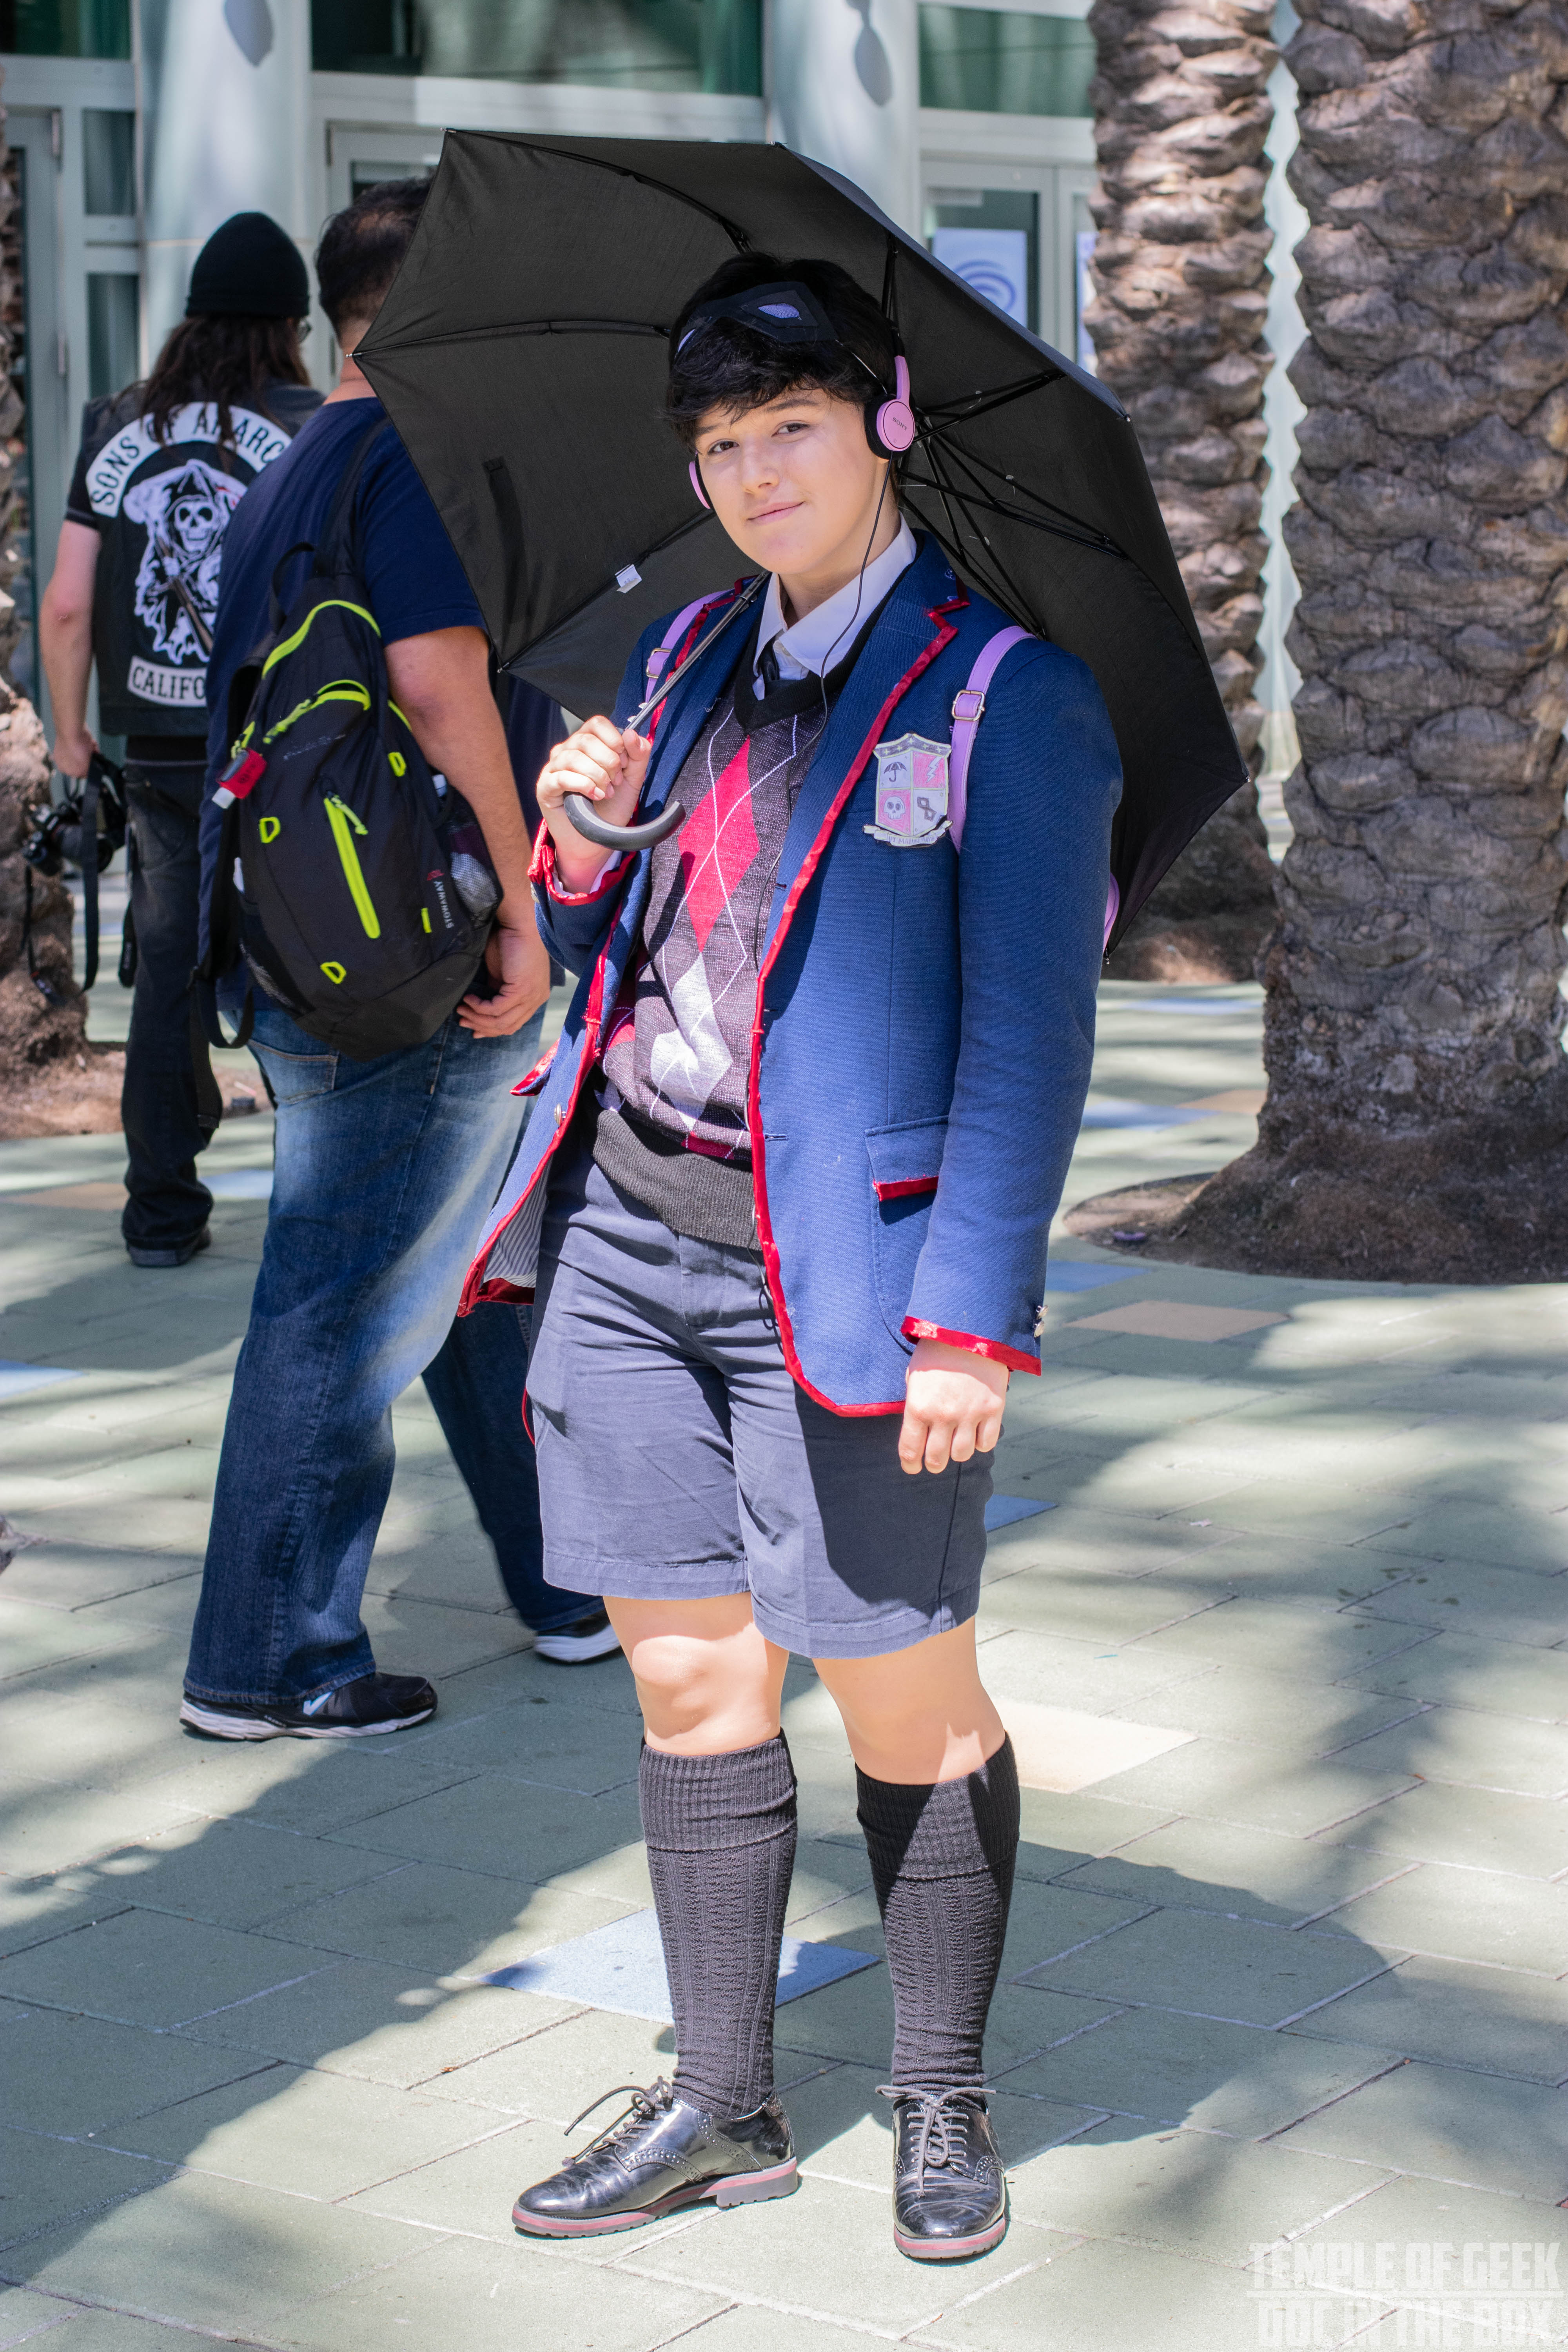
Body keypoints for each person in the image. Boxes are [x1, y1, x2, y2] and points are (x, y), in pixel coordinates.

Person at [479, 258, 1121, 2260]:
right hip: (632, 1234)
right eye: (720, 446)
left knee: (897, 1684)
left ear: (882, 423)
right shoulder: (679, 665)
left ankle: (939, 2098)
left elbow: (1031, 1032)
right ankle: (724, 2104)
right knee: (687, 1683)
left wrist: (971, 1317)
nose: (752, 476)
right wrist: (580, 841)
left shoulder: (1009, 697)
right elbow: (623, 950)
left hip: (850, 1290)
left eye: (788, 432)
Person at [178, 179, 618, 1748]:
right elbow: (437, 691)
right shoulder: (417, 454)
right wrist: (520, 902)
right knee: (347, 1293)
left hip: (318, 942)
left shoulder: (292, 465)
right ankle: (271, 1655)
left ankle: (567, 1581)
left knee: (447, 1267)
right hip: (422, 950)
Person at [39, 211, 321, 1269]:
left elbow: (67, 607)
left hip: (159, 750)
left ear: (192, 315)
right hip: (284, 741)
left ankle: (160, 1212)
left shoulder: (119, 423)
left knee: (166, 968)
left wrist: (73, 733)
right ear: (293, 324)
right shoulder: (308, 424)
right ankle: (315, 1209)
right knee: (303, 957)